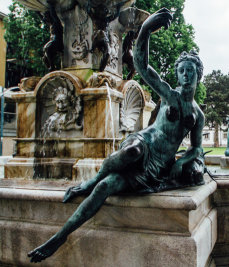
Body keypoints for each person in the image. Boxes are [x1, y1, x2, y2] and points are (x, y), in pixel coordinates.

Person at [28, 8, 205, 263]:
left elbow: (197, 148)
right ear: (177, 74)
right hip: (144, 143)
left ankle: (60, 236)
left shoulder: (197, 116)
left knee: (107, 187)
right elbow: (142, 66)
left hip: (156, 166)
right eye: (182, 71)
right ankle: (89, 180)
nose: (186, 75)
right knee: (130, 152)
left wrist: (183, 163)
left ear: (198, 74)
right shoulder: (169, 94)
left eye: (191, 71)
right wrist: (145, 29)